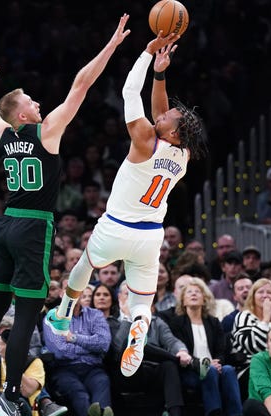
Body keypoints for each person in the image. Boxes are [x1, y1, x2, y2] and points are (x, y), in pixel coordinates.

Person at [0, 15, 131, 416]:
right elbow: (80, 85)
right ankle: (12, 395)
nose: (39, 104)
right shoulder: (46, 132)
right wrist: (111, 47)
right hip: (33, 227)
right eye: (33, 101)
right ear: (23, 112)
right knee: (27, 314)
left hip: (2, 226)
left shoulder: (4, 134)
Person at [46, 32, 207, 382]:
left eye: (167, 118)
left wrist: (147, 56)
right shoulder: (183, 153)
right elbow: (162, 111)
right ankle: (139, 326)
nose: (161, 116)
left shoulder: (145, 140)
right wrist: (161, 75)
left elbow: (129, 93)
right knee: (141, 299)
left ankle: (62, 312)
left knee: (85, 264)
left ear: (170, 131)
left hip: (116, 227)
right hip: (151, 236)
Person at [164, 277, 244, 416]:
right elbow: (178, 350)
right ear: (183, 300)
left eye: (197, 291)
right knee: (210, 372)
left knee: (228, 370)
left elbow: (222, 350)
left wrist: (218, 362)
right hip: (190, 371)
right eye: (189, 292)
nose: (193, 294)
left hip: (214, 367)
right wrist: (203, 365)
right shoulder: (177, 323)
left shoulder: (213, 322)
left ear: (204, 298)